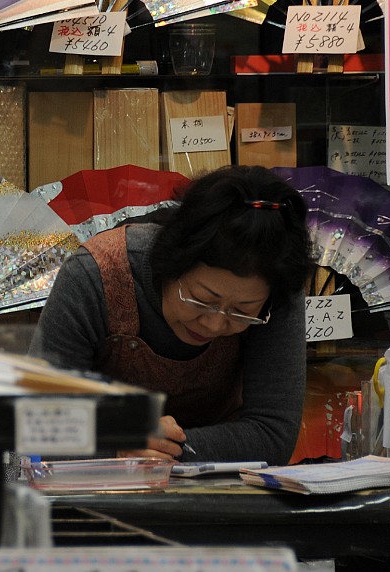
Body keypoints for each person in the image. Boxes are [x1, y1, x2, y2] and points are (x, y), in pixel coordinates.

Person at [29, 165, 313, 466]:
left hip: (223, 494)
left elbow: (273, 433)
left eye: (242, 313)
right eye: (202, 300)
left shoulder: (276, 286)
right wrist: (117, 448)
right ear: (170, 262)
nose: (215, 324)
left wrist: (160, 448)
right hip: (97, 490)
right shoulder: (95, 276)